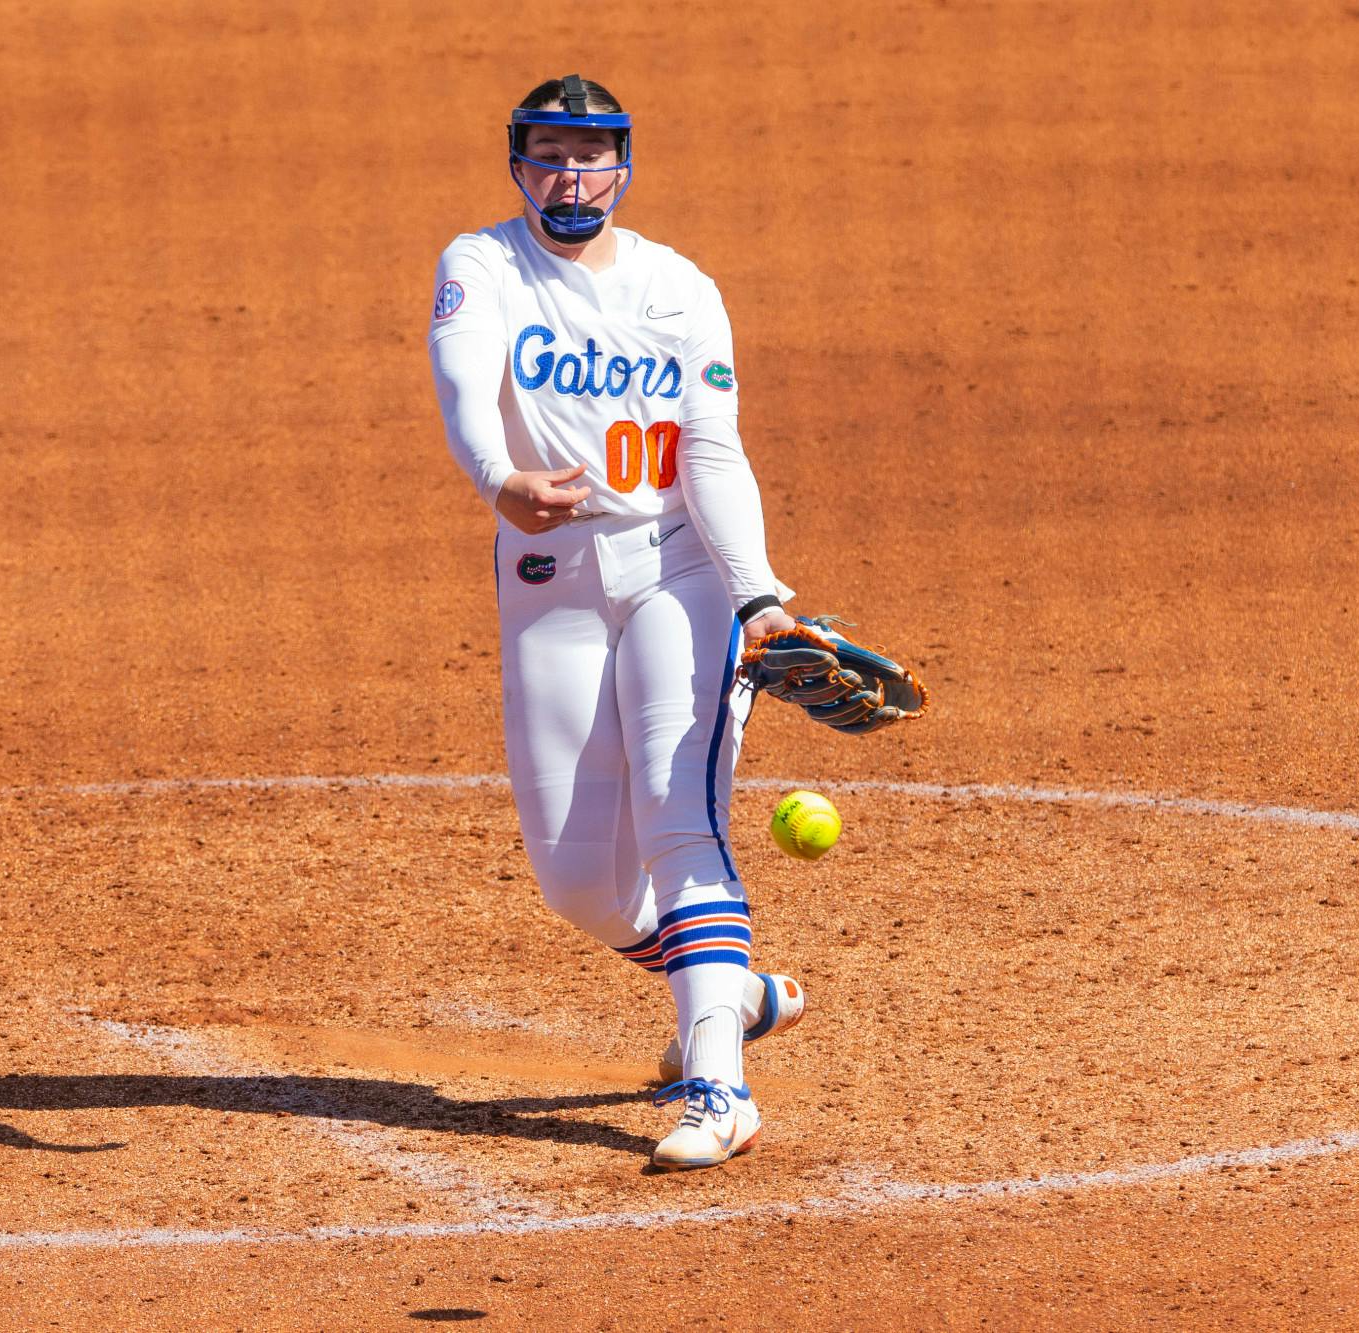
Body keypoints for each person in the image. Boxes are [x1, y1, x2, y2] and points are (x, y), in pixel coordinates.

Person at [427, 75, 805, 1169]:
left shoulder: (677, 288)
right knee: (577, 881)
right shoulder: (484, 263)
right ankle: (728, 989)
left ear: (623, 166)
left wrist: (756, 591)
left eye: (590, 157)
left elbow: (712, 449)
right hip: (547, 580)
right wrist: (496, 476)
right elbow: (460, 374)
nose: (569, 177)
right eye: (547, 154)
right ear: (516, 163)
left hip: (676, 571)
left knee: (677, 816)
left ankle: (717, 1089)